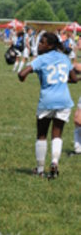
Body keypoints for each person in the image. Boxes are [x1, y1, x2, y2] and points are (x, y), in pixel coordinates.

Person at [18, 32, 78, 179]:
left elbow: (21, 74)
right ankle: (54, 162)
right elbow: (74, 79)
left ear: (50, 46)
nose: (39, 45)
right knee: (57, 134)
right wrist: (61, 80)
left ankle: (40, 170)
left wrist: (23, 78)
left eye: (42, 43)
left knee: (42, 135)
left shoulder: (41, 59)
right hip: (64, 101)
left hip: (47, 101)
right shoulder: (64, 58)